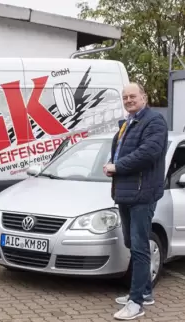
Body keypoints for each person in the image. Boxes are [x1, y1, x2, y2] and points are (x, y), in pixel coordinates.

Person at [103, 83, 168, 320]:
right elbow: (122, 151)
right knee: (133, 242)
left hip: (142, 194)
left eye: (133, 96)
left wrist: (117, 166)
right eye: (125, 97)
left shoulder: (155, 121)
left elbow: (148, 153)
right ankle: (146, 292)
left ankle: (136, 302)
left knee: (140, 247)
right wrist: (113, 165)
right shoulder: (129, 122)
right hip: (125, 192)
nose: (129, 100)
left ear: (144, 97)